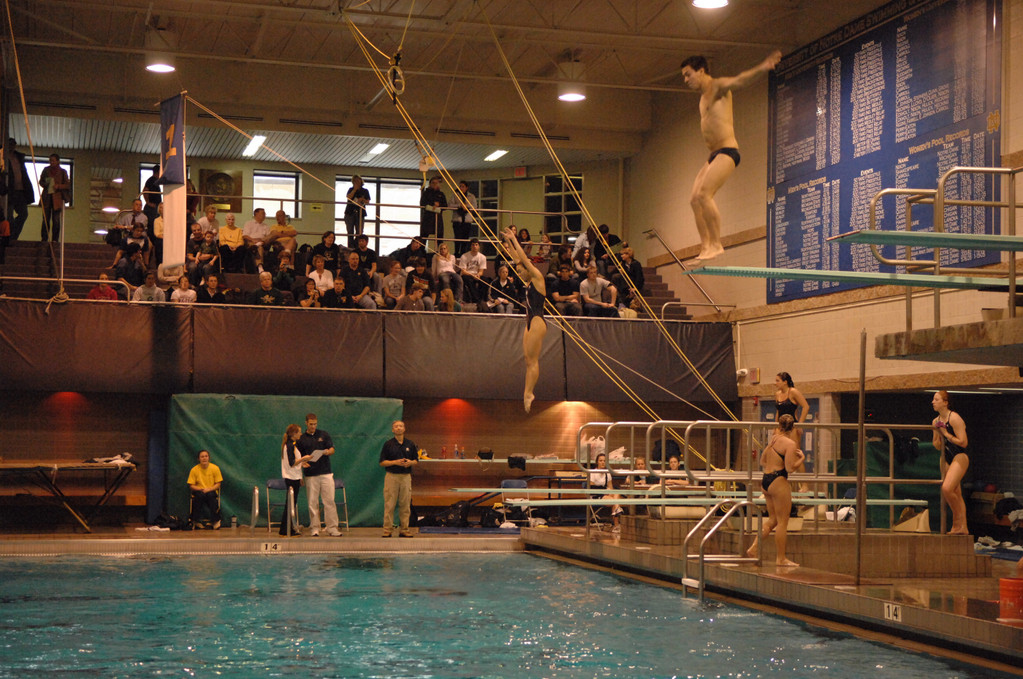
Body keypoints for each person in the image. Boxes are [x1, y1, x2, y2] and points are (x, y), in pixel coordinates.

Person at [680, 51, 781, 261]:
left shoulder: (717, 87)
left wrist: (763, 66)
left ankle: (716, 245)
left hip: (728, 152)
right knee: (694, 199)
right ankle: (706, 247)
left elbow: (741, 80)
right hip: (713, 155)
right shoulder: (702, 98)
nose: (686, 80)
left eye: (688, 74)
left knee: (704, 195)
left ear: (701, 71)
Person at [746, 414, 804, 566]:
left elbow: (762, 461)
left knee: (773, 520)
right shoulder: (790, 444)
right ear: (792, 428)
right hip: (778, 480)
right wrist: (801, 460)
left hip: (766, 480)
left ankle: (754, 548)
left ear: (779, 426)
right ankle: (781, 558)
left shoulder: (773, 440)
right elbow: (790, 468)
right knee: (783, 522)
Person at [503, 226, 547, 413]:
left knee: (533, 360)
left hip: (537, 321)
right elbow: (518, 260)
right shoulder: (529, 281)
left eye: (521, 271)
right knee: (528, 360)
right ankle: (527, 392)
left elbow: (524, 260)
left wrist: (514, 239)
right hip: (530, 321)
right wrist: (508, 244)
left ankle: (529, 393)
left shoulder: (537, 277)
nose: (519, 273)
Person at [932, 390, 970, 535]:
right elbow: (936, 445)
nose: (933, 402)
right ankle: (961, 527)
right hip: (945, 457)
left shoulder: (954, 418)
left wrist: (946, 433)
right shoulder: (935, 421)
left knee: (947, 489)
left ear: (945, 402)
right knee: (956, 493)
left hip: (959, 456)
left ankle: (958, 519)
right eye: (933, 399)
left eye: (936, 399)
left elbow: (964, 442)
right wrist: (938, 434)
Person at [297, 413, 341, 537]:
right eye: (311, 424)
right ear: (306, 423)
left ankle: (332, 528)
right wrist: (302, 464)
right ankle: (315, 527)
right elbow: (298, 457)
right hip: (311, 474)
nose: (313, 426)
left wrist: (327, 452)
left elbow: (332, 449)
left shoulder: (324, 434)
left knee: (329, 501)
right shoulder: (301, 439)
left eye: (315, 424)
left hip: (326, 473)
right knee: (312, 502)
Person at [379, 419, 418, 537]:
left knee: (405, 504)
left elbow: (416, 460)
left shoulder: (410, 444)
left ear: (404, 429)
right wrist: (395, 462)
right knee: (389, 504)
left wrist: (410, 463)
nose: (398, 428)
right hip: (392, 477)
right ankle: (387, 529)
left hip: (406, 477)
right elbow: (382, 462)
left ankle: (404, 529)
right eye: (396, 426)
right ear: (392, 430)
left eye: (401, 426)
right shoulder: (388, 444)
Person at [775, 371, 810, 489]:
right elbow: (778, 412)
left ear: (785, 382)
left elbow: (806, 406)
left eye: (778, 381)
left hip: (792, 427)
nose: (775, 383)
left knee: (795, 454)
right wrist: (775, 426)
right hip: (781, 427)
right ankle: (782, 482)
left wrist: (800, 424)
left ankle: (804, 484)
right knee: (779, 455)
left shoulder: (793, 392)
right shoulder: (777, 394)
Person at [279, 423, 311, 536]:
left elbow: (293, 462)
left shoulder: (292, 445)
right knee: (290, 504)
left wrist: (301, 465)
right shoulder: (290, 445)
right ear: (294, 434)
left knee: (291, 503)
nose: (301, 434)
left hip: (294, 476)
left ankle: (286, 528)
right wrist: (303, 459)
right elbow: (292, 463)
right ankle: (286, 529)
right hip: (291, 478)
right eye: (299, 432)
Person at [3, 139, 34, 240]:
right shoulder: (3, 157)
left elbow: (24, 174)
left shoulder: (19, 157)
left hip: (21, 191)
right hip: (9, 191)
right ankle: (9, 237)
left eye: (13, 144)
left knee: (23, 214)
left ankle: (12, 236)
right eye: (10, 144)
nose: (11, 146)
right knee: (9, 216)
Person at [186, 449, 223, 530]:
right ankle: (194, 521)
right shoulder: (194, 470)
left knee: (211, 497)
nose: (204, 458)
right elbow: (191, 485)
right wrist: (201, 489)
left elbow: (218, 484)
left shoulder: (215, 468)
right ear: (198, 459)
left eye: (206, 456)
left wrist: (209, 489)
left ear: (209, 458)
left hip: (211, 491)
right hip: (199, 491)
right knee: (198, 497)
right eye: (202, 457)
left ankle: (215, 521)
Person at [38, 153, 70, 242]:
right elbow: (41, 181)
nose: (51, 162)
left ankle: (55, 239)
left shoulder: (63, 172)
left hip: (57, 198)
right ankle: (44, 238)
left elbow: (67, 185)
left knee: (56, 220)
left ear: (58, 161)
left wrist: (58, 186)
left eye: (53, 160)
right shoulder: (46, 170)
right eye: (50, 160)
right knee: (45, 219)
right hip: (47, 197)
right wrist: (46, 184)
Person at [588, 452, 624, 532]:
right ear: (597, 462)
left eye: (604, 461)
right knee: (616, 501)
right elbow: (592, 489)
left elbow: (611, 488)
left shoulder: (607, 473)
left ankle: (616, 511)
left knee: (616, 495)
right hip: (596, 496)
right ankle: (616, 523)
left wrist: (609, 492)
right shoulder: (592, 473)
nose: (602, 462)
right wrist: (605, 491)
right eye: (600, 460)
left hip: (606, 495)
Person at [451, 181, 477, 257]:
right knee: (457, 237)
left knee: (465, 238)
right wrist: (459, 205)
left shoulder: (471, 196)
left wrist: (467, 206)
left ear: (466, 188)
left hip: (467, 220)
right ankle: (456, 252)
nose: (461, 188)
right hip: (457, 220)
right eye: (460, 186)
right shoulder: (455, 195)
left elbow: (475, 207)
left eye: (462, 186)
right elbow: (450, 205)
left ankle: (463, 253)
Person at [459, 237, 488, 305]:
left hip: (477, 275)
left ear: (479, 246)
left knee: (485, 280)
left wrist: (478, 275)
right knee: (469, 280)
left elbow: (481, 271)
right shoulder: (464, 256)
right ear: (470, 246)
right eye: (473, 245)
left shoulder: (482, 257)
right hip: (467, 274)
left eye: (476, 245)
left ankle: (482, 299)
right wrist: (472, 275)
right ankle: (476, 300)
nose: (475, 246)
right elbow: (463, 271)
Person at [344, 175, 371, 248]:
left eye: (358, 181)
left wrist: (362, 200)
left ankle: (357, 246)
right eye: (355, 181)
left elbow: (368, 201)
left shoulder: (365, 191)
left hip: (360, 213)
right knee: (350, 231)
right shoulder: (351, 189)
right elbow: (349, 197)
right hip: (350, 212)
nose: (357, 182)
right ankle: (350, 247)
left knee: (359, 232)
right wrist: (354, 190)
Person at [242, 207, 271, 272]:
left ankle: (259, 265)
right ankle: (260, 266)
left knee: (260, 246)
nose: (265, 215)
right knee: (258, 247)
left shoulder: (265, 226)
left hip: (262, 242)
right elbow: (244, 235)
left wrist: (263, 241)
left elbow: (268, 237)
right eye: (263, 213)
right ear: (256, 214)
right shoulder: (249, 223)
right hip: (251, 241)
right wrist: (253, 240)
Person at [419, 175, 447, 241]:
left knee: (439, 237)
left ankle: (440, 248)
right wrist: (432, 205)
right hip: (428, 217)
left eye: (436, 183)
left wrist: (439, 205)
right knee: (424, 237)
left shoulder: (441, 194)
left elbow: (445, 206)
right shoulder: (426, 193)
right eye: (433, 183)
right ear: (430, 184)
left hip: (438, 218)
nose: (435, 184)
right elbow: (422, 203)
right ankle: (422, 247)